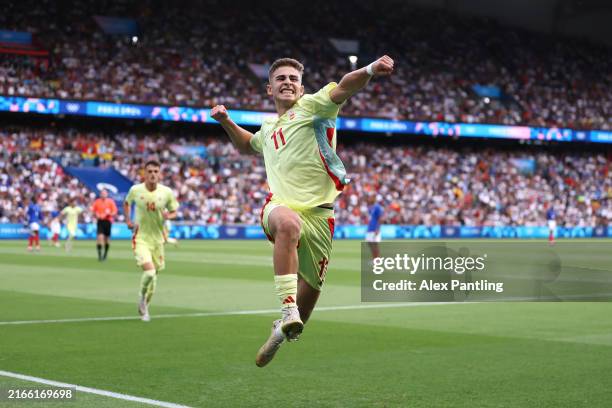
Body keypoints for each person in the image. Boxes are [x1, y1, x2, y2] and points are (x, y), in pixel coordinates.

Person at [211, 55, 394, 367]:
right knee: (288, 224)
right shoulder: (268, 127)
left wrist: (369, 70)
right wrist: (226, 122)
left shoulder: (313, 106)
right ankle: (286, 309)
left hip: (321, 216)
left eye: (293, 79)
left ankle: (281, 330)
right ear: (270, 89)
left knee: (304, 314)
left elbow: (344, 88)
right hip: (280, 207)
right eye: (281, 78)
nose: (287, 82)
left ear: (301, 87)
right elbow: (248, 145)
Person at [124, 160, 179, 322]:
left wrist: (170, 216)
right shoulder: (136, 190)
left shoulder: (166, 192)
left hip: (158, 241)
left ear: (160, 174)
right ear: (144, 173)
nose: (153, 174)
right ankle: (141, 297)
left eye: (156, 171)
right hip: (141, 238)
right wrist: (128, 220)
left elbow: (174, 211)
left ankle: (145, 308)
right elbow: (126, 203)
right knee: (149, 272)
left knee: (154, 280)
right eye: (150, 171)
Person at [90, 189, 117, 261]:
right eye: (102, 193)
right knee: (100, 238)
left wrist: (109, 214)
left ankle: (105, 254)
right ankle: (99, 256)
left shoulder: (110, 202)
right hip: (100, 222)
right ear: (100, 194)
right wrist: (96, 214)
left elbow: (114, 212)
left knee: (107, 240)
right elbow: (93, 210)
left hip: (108, 222)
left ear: (107, 194)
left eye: (105, 193)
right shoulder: (97, 202)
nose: (103, 194)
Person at [365, 194, 384, 259]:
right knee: (370, 244)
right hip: (370, 228)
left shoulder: (377, 207)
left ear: (374, 199)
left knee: (375, 244)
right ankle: (374, 258)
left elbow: (380, 218)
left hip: (375, 229)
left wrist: (378, 229)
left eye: (370, 198)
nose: (369, 199)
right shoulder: (370, 207)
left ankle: (377, 260)